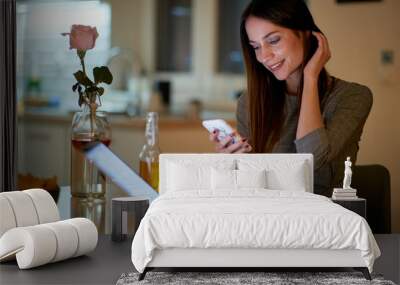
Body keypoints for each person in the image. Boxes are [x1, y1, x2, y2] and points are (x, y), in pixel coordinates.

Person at [209, 0, 372, 197]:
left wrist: (310, 77)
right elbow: (250, 187)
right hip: (266, 216)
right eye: (256, 47)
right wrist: (233, 161)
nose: (264, 56)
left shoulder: (352, 97)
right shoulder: (249, 102)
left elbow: (310, 160)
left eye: (273, 40)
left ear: (305, 33)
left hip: (322, 219)